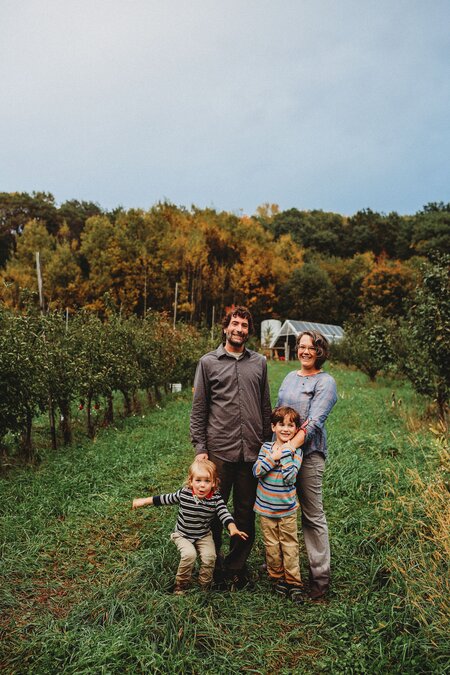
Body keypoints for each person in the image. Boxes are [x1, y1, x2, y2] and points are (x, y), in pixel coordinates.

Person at [190, 306, 272, 587]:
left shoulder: (259, 363)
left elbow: (264, 407)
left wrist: (268, 446)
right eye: (234, 324)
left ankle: (236, 567)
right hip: (219, 451)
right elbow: (199, 407)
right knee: (213, 508)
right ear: (225, 328)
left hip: (252, 452)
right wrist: (201, 446)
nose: (239, 329)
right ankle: (213, 562)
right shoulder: (208, 362)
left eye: (244, 325)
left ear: (249, 331)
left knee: (245, 511)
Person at [276, 330, 337, 600]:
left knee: (312, 516)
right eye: (301, 347)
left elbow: (314, 421)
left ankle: (319, 579)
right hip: (282, 454)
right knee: (280, 509)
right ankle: (280, 570)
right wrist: (276, 449)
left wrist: (289, 447)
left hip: (309, 455)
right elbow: (279, 414)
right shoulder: (290, 377)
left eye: (311, 348)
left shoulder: (326, 382)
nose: (305, 352)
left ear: (320, 351)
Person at [132, 459, 248, 595]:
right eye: (198, 480)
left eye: (207, 481)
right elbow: (163, 499)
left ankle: (204, 585)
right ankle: (181, 585)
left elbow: (224, 513)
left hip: (203, 535)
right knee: (189, 555)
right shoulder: (184, 494)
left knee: (210, 556)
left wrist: (232, 527)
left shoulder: (216, 498)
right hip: (182, 534)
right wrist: (143, 501)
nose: (202, 486)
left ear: (214, 483)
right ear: (190, 481)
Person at [253, 406, 306, 603]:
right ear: (273, 427)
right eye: (281, 425)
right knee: (272, 545)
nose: (285, 429)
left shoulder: (297, 452)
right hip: (266, 509)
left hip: (287, 510)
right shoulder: (265, 448)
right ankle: (277, 577)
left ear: (296, 429)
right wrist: (273, 457)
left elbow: (290, 477)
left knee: (290, 545)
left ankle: (294, 582)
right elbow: (257, 471)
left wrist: (284, 453)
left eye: (290, 426)